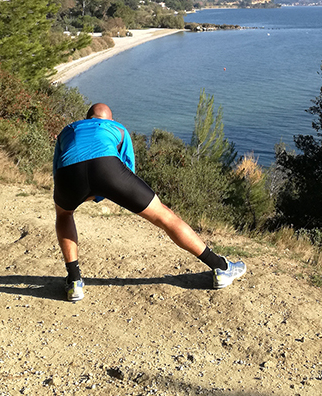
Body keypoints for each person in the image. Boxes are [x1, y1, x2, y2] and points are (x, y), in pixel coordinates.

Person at [53, 102, 247, 301]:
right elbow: (128, 166)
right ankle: (220, 267)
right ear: (110, 120)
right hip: (107, 168)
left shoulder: (68, 130)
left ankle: (74, 281)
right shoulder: (117, 128)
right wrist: (112, 193)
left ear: (87, 118)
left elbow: (57, 168)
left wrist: (83, 193)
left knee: (64, 214)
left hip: (69, 173)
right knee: (164, 216)